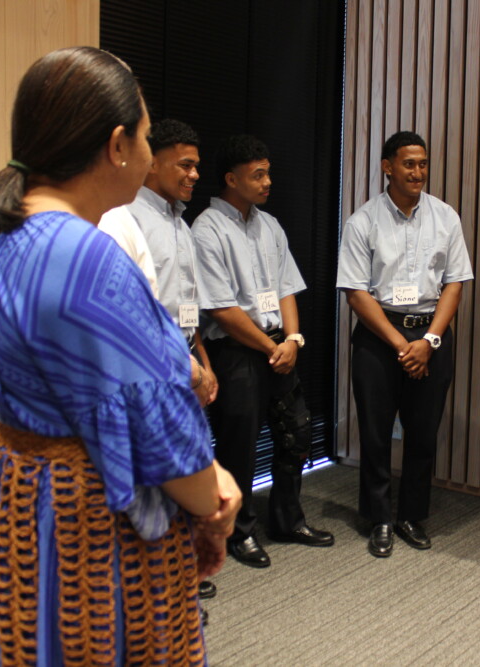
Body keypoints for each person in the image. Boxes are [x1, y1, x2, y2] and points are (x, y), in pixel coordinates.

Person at [0, 47, 240, 665]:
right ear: (117, 146)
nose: (148, 151)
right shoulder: (85, 256)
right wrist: (216, 494)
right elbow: (159, 434)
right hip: (93, 534)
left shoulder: (7, 235)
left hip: (30, 509)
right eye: (146, 137)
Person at [192, 134, 332, 568]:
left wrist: (292, 340)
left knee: (297, 433)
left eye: (267, 173)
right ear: (231, 179)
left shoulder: (269, 225)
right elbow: (221, 308)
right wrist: (274, 345)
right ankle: (239, 532)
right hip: (236, 352)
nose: (268, 182)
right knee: (239, 445)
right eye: (258, 175)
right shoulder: (206, 230)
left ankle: (287, 520)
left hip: (277, 348)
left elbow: (287, 287)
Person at [99, 118, 220, 603]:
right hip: (153, 367)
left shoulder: (181, 224)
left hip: (186, 359)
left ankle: (184, 567)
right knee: (159, 476)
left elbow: (188, 309)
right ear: (152, 164)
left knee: (186, 467)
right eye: (184, 165)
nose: (194, 175)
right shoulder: (122, 220)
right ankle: (161, 576)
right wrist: (185, 365)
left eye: (197, 166)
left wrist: (203, 361)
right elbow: (133, 316)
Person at [337, 131, 473, 557]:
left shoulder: (445, 217)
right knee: (375, 433)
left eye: (423, 164)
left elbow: (455, 283)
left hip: (431, 335)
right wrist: (401, 345)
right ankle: (378, 517)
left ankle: (412, 515)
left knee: (423, 432)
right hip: (380, 336)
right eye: (409, 164)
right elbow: (356, 293)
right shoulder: (363, 222)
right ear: (387, 167)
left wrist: (429, 340)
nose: (418, 172)